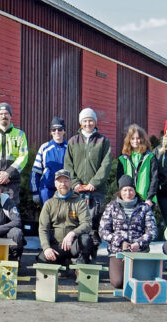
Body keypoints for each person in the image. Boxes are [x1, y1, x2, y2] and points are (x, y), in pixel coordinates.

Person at [64, 107, 111, 262]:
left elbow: (106, 164)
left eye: (91, 120)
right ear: (80, 123)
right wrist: (75, 183)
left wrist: (94, 183)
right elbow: (68, 165)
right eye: (85, 120)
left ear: (95, 122)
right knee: (77, 222)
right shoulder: (72, 141)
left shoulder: (103, 141)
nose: (88, 123)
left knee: (94, 223)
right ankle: (79, 255)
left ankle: (93, 254)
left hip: (95, 191)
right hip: (77, 191)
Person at [99, 175, 157, 288]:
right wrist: (121, 242)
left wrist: (138, 244)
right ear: (120, 192)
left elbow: (152, 231)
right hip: (118, 251)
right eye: (124, 190)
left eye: (131, 190)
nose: (128, 193)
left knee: (140, 282)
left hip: (139, 252)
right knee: (118, 283)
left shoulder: (144, 207)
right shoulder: (111, 206)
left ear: (135, 192)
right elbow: (103, 230)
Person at [36, 169, 93, 265]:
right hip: (58, 245)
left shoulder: (80, 202)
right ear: (55, 184)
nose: (63, 184)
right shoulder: (49, 204)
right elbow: (43, 228)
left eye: (66, 181)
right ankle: (64, 262)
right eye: (60, 181)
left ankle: (81, 269)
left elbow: (87, 224)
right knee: (42, 259)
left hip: (74, 244)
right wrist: (46, 248)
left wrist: (72, 233)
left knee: (85, 239)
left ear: (70, 182)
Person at [116, 124, 157, 205]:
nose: (135, 141)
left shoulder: (150, 157)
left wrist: (149, 198)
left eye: (138, 138)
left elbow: (154, 179)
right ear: (128, 140)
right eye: (132, 138)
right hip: (128, 198)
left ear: (143, 139)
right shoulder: (123, 159)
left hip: (146, 199)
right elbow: (119, 180)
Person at [31, 117, 67, 204]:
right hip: (47, 189)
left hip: (64, 189)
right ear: (51, 132)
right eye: (54, 130)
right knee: (47, 216)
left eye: (60, 129)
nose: (57, 132)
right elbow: (35, 171)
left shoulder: (70, 148)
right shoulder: (44, 148)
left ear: (64, 131)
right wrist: (35, 192)